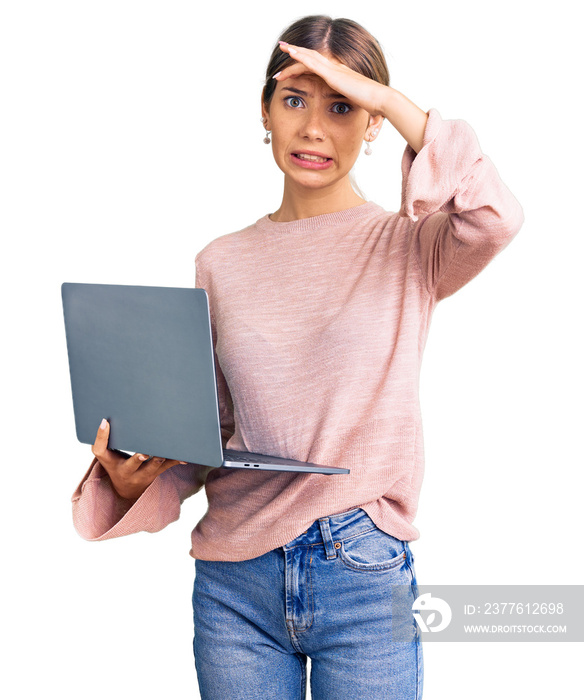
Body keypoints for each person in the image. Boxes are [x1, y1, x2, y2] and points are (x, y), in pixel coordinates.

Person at [72, 14, 524, 700]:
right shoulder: (219, 261)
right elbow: (212, 431)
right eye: (295, 100)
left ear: (371, 124)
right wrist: (136, 482)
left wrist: (392, 102)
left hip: (362, 570)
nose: (315, 128)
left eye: (342, 106)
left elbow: (497, 217)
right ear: (265, 111)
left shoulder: (410, 245)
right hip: (235, 582)